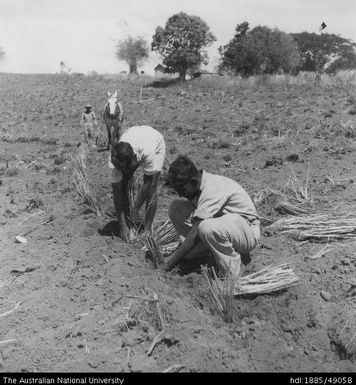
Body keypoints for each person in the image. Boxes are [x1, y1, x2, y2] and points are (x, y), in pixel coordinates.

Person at [162, 155, 260, 278]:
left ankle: (231, 274)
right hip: (227, 227)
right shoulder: (198, 186)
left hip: (246, 233)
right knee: (175, 207)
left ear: (193, 181)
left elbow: (195, 231)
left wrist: (169, 264)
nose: (180, 194)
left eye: (182, 189)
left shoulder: (212, 188)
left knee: (206, 227)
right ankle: (198, 252)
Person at [109, 125, 166, 242]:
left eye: (126, 167)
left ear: (135, 158)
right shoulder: (115, 159)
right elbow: (117, 191)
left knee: (152, 188)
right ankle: (128, 222)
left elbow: (148, 182)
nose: (123, 170)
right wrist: (122, 226)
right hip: (134, 134)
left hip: (155, 140)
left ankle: (148, 228)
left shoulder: (147, 152)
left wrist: (135, 209)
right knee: (123, 184)